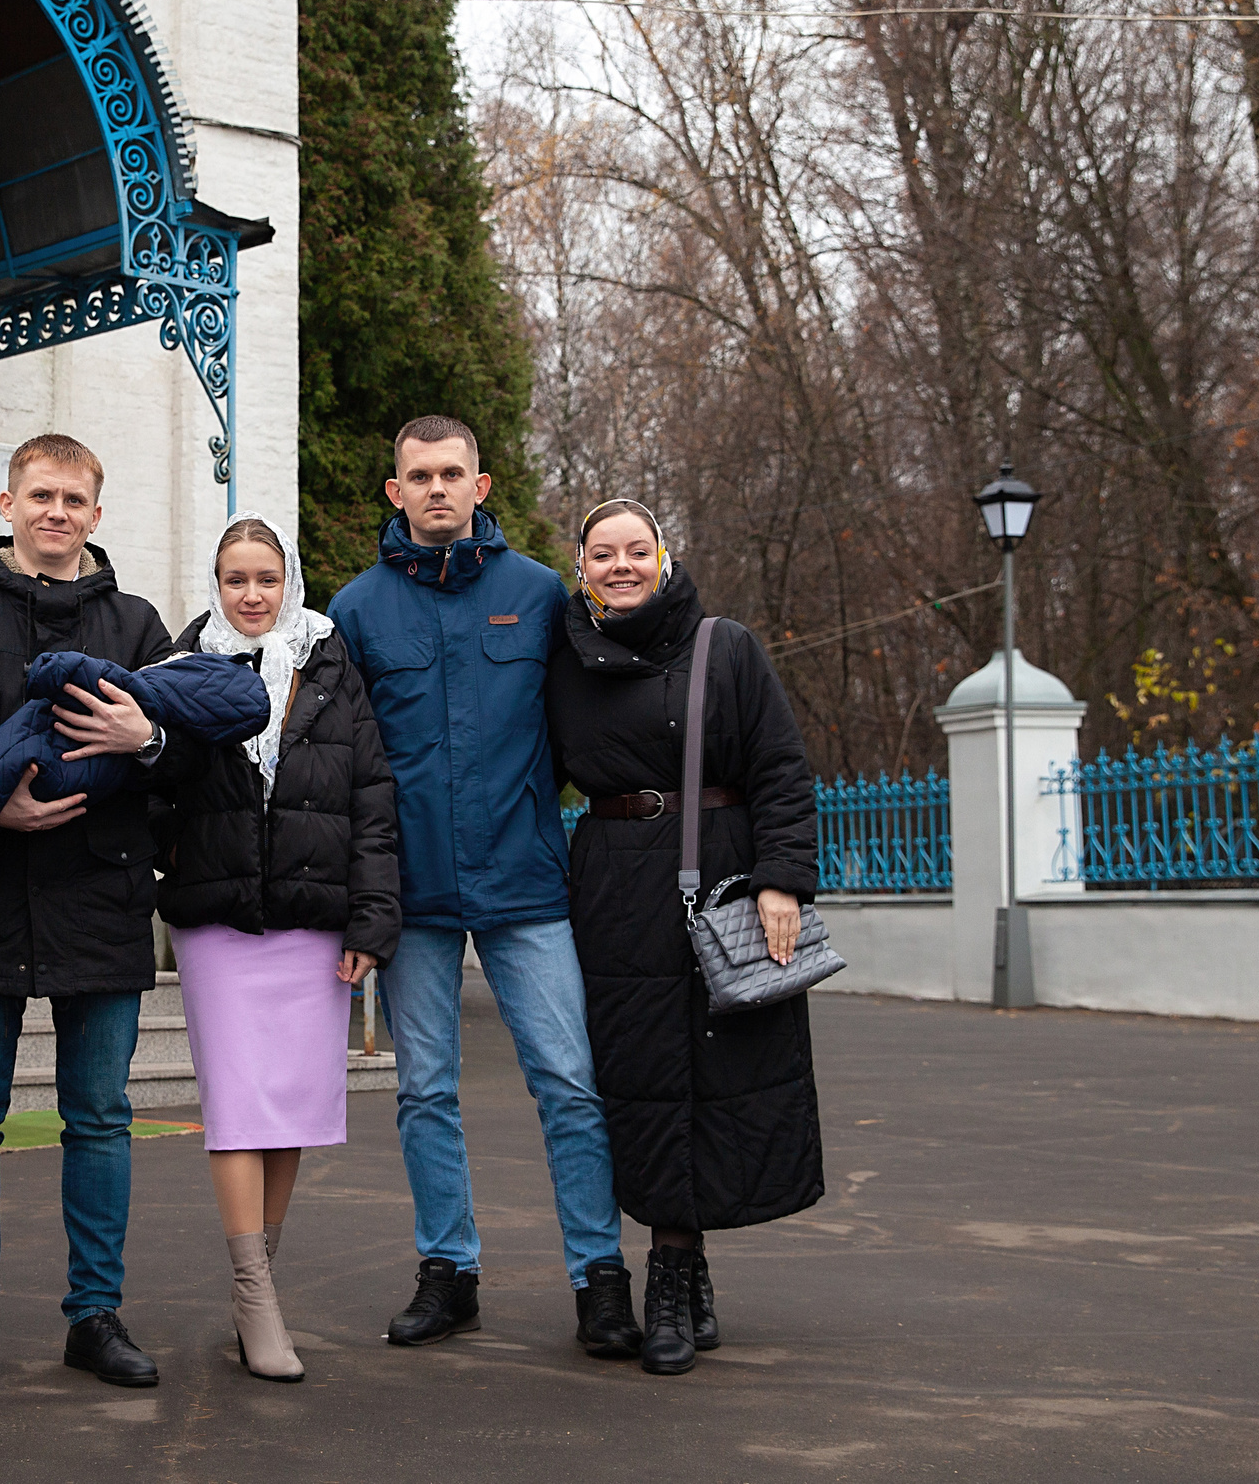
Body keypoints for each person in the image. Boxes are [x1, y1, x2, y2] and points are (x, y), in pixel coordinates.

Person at [327, 416, 637, 1357]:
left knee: (571, 1084)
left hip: (526, 884)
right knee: (425, 1089)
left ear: (482, 484)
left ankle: (601, 1277)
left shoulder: (541, 595)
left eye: (451, 473)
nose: (435, 489)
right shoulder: (356, 610)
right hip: (412, 892)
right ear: (395, 491)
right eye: (418, 475)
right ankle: (447, 1271)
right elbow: (339, 759)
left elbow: (598, 718)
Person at [0, 433, 177, 1392]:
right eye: (39, 495)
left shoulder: (136, 623)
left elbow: (191, 751)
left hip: (102, 897)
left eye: (73, 499)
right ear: (6, 505)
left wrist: (151, 734)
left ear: (97, 513)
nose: (56, 512)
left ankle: (96, 1316)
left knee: (100, 1117)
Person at [544, 500, 822, 1376]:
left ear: (663, 557)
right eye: (602, 553)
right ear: (580, 565)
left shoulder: (724, 646)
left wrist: (783, 878)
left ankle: (674, 1267)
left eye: (636, 550)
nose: (620, 565)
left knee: (721, 1067)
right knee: (642, 1077)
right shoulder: (564, 660)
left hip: (724, 874)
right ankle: (678, 1271)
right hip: (616, 886)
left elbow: (780, 764)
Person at [155, 513, 402, 1382]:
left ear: (288, 580)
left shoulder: (330, 662)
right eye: (235, 579)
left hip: (311, 916)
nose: (251, 594)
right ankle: (254, 1292)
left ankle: (262, 1275)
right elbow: (155, 785)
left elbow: (372, 795)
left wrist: (373, 922)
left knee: (289, 1109)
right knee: (237, 1107)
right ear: (216, 584)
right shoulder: (184, 665)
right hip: (218, 919)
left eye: (266, 578)